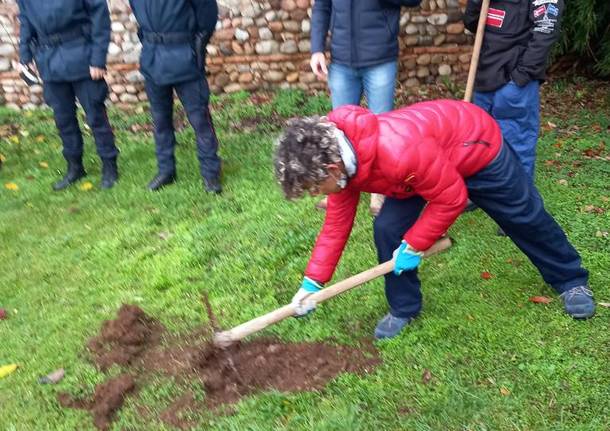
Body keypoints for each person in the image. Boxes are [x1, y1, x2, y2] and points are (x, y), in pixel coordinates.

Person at [274, 99, 595, 340]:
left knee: (524, 216)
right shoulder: (340, 163)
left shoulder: (397, 150)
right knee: (387, 228)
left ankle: (571, 280)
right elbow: (335, 226)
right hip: (416, 173)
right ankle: (404, 308)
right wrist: (311, 283)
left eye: (316, 186)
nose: (319, 192)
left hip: (475, 147)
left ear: (331, 170)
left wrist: (415, 245)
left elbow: (451, 198)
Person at [310, 0, 421, 215]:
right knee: (337, 129)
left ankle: (379, 192)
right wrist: (317, 49)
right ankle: (338, 188)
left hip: (380, 58)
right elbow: (322, 7)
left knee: (381, 130)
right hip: (341, 61)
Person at [17, 0, 119, 190]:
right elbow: (25, 22)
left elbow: (99, 16)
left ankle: (109, 165)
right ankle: (75, 167)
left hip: (82, 56)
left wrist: (98, 59)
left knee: (95, 115)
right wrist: (24, 57)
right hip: (48, 60)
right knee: (63, 118)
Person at [463, 0, 565, 181]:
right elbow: (472, 22)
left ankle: (519, 195)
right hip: (485, 77)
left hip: (514, 83)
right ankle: (484, 191)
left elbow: (545, 31)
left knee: (516, 140)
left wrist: (522, 76)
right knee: (480, 140)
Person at [129, 0, 222, 193]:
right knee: (160, 120)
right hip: (153, 59)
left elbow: (207, 14)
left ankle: (210, 172)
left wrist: (196, 44)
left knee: (200, 120)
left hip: (185, 58)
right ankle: (166, 170)